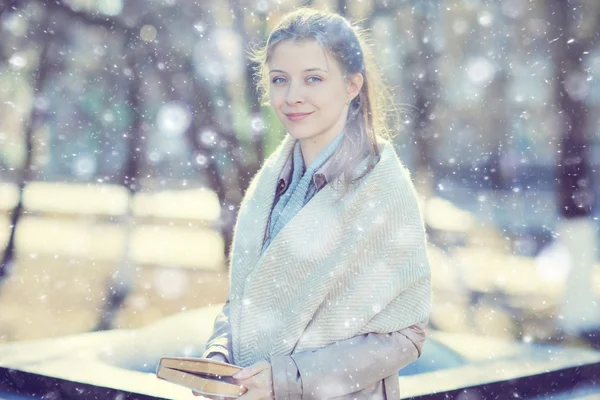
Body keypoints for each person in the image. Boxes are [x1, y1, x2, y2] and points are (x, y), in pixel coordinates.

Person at [195, 7, 431, 400]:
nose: (292, 97)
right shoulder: (269, 183)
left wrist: (287, 380)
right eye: (280, 80)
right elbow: (246, 302)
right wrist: (219, 355)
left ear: (352, 86)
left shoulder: (382, 187)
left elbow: (405, 334)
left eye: (314, 79)